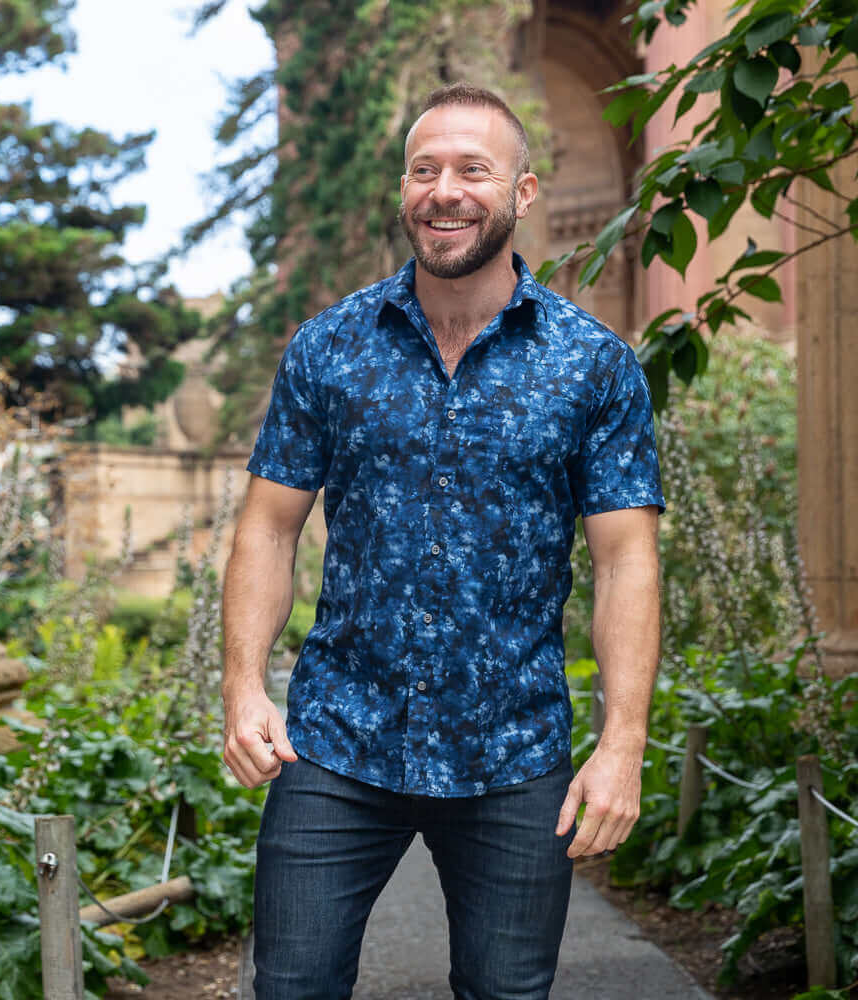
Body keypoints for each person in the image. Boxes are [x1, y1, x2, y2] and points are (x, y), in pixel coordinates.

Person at [222, 81, 666, 1000]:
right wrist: (242, 688)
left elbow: (626, 559)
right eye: (425, 169)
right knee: (290, 989)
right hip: (336, 743)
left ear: (524, 193)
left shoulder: (593, 365)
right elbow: (269, 525)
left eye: (473, 169)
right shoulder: (328, 349)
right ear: (404, 190)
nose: (445, 190)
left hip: (515, 756)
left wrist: (622, 745)